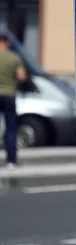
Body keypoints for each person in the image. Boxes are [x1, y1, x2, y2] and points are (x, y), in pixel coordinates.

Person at [0, 32, 26, 169]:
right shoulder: (14, 57)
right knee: (11, 129)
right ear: (7, 43)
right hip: (9, 95)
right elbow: (22, 76)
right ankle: (11, 161)